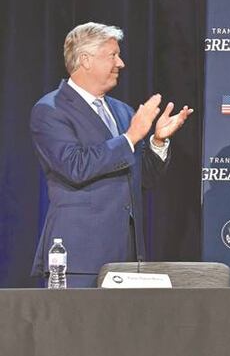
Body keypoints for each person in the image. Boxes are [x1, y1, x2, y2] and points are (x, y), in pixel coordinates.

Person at [30, 22, 194, 287]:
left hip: (127, 259)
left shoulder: (122, 111)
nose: (121, 63)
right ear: (85, 60)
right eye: (113, 55)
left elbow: (144, 178)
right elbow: (75, 167)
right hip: (79, 259)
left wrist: (158, 140)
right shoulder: (51, 110)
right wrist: (130, 137)